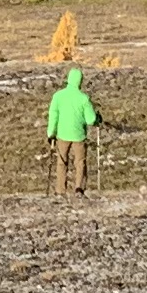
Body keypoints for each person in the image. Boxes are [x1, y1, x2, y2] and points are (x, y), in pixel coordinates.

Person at [46, 61, 98, 194]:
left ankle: (60, 189)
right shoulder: (83, 98)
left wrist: (51, 133)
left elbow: (53, 115)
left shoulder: (58, 96)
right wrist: (97, 118)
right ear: (80, 81)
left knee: (61, 162)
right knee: (80, 162)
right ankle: (79, 188)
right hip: (79, 135)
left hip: (62, 134)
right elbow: (91, 120)